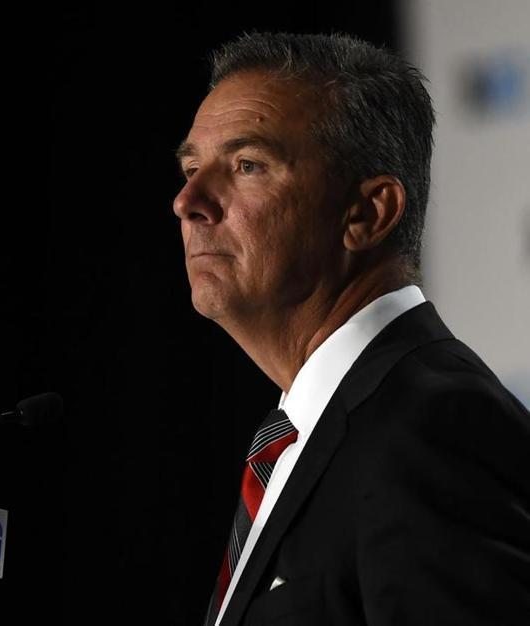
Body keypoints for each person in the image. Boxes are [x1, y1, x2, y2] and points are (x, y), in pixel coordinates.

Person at [173, 32, 530, 626]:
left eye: (247, 165)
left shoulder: (434, 424)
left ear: (368, 213)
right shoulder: (310, 435)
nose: (188, 201)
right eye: (190, 168)